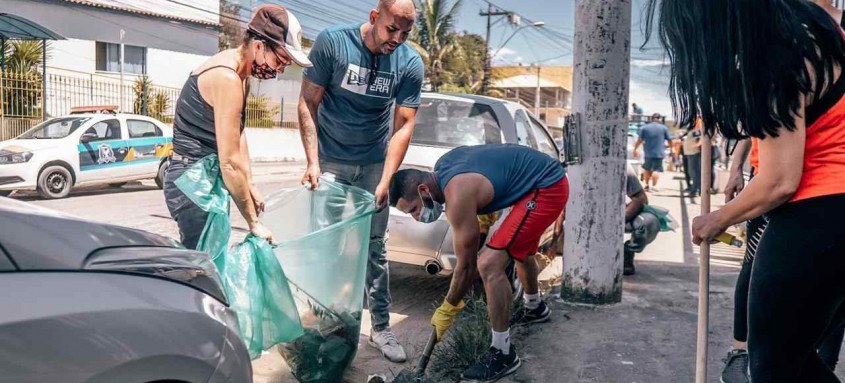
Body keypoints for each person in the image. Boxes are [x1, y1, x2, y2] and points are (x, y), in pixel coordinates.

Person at [646, 0, 845, 380]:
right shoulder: (821, 32)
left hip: (821, 214)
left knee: (772, 367)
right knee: (794, 358)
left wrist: (716, 219)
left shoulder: (777, 53)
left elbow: (778, 181)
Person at [296, 0, 423, 363]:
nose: (397, 39)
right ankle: (326, 322)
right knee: (326, 247)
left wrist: (386, 179)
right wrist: (312, 162)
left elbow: (404, 125)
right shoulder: (333, 43)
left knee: (375, 249)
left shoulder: (409, 62)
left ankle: (381, 329)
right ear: (374, 18)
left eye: (405, 33)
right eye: (391, 30)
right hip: (330, 163)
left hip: (372, 165)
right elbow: (308, 102)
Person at [388, 144, 568, 382]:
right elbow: (488, 169)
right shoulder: (444, 166)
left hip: (546, 187)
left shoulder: (457, 195)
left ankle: (502, 353)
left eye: (414, 209)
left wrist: (448, 307)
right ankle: (535, 308)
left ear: (423, 189)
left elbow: (467, 267)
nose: (416, 216)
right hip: (535, 180)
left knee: (489, 265)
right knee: (520, 251)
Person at [163, 4, 311, 249]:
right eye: (281, 60)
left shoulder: (242, 76)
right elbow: (229, 162)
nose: (281, 70)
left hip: (203, 176)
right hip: (191, 180)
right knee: (201, 264)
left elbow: (239, 136)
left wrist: (250, 183)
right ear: (259, 46)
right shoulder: (227, 77)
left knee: (211, 259)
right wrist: (253, 222)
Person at [623, 164, 661, 276]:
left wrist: (619, 221)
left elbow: (641, 198)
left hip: (618, 215)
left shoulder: (622, 165)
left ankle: (628, 251)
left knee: (649, 222)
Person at [633, 113, 672, 192]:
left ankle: (647, 185)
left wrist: (635, 148)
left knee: (647, 169)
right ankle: (654, 186)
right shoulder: (664, 128)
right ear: (659, 119)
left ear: (651, 119)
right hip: (659, 153)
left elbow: (640, 140)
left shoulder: (645, 128)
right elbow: (669, 140)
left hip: (648, 152)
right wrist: (672, 148)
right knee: (656, 170)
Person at [682, 121, 703, 197]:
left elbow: (700, 140)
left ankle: (695, 191)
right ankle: (694, 190)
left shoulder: (696, 130)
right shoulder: (692, 130)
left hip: (693, 153)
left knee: (694, 173)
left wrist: (695, 145)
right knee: (692, 173)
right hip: (690, 153)